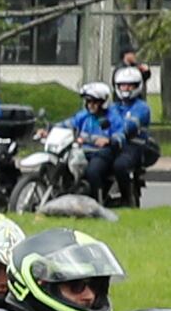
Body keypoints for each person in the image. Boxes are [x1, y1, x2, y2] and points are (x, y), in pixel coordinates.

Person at [64, 59, 156, 204]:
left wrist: (112, 138)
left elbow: (127, 127)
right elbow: (75, 121)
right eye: (123, 85)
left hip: (132, 147)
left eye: (130, 85)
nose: (126, 89)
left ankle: (126, 199)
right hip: (110, 146)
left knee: (118, 166)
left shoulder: (141, 108)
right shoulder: (113, 107)